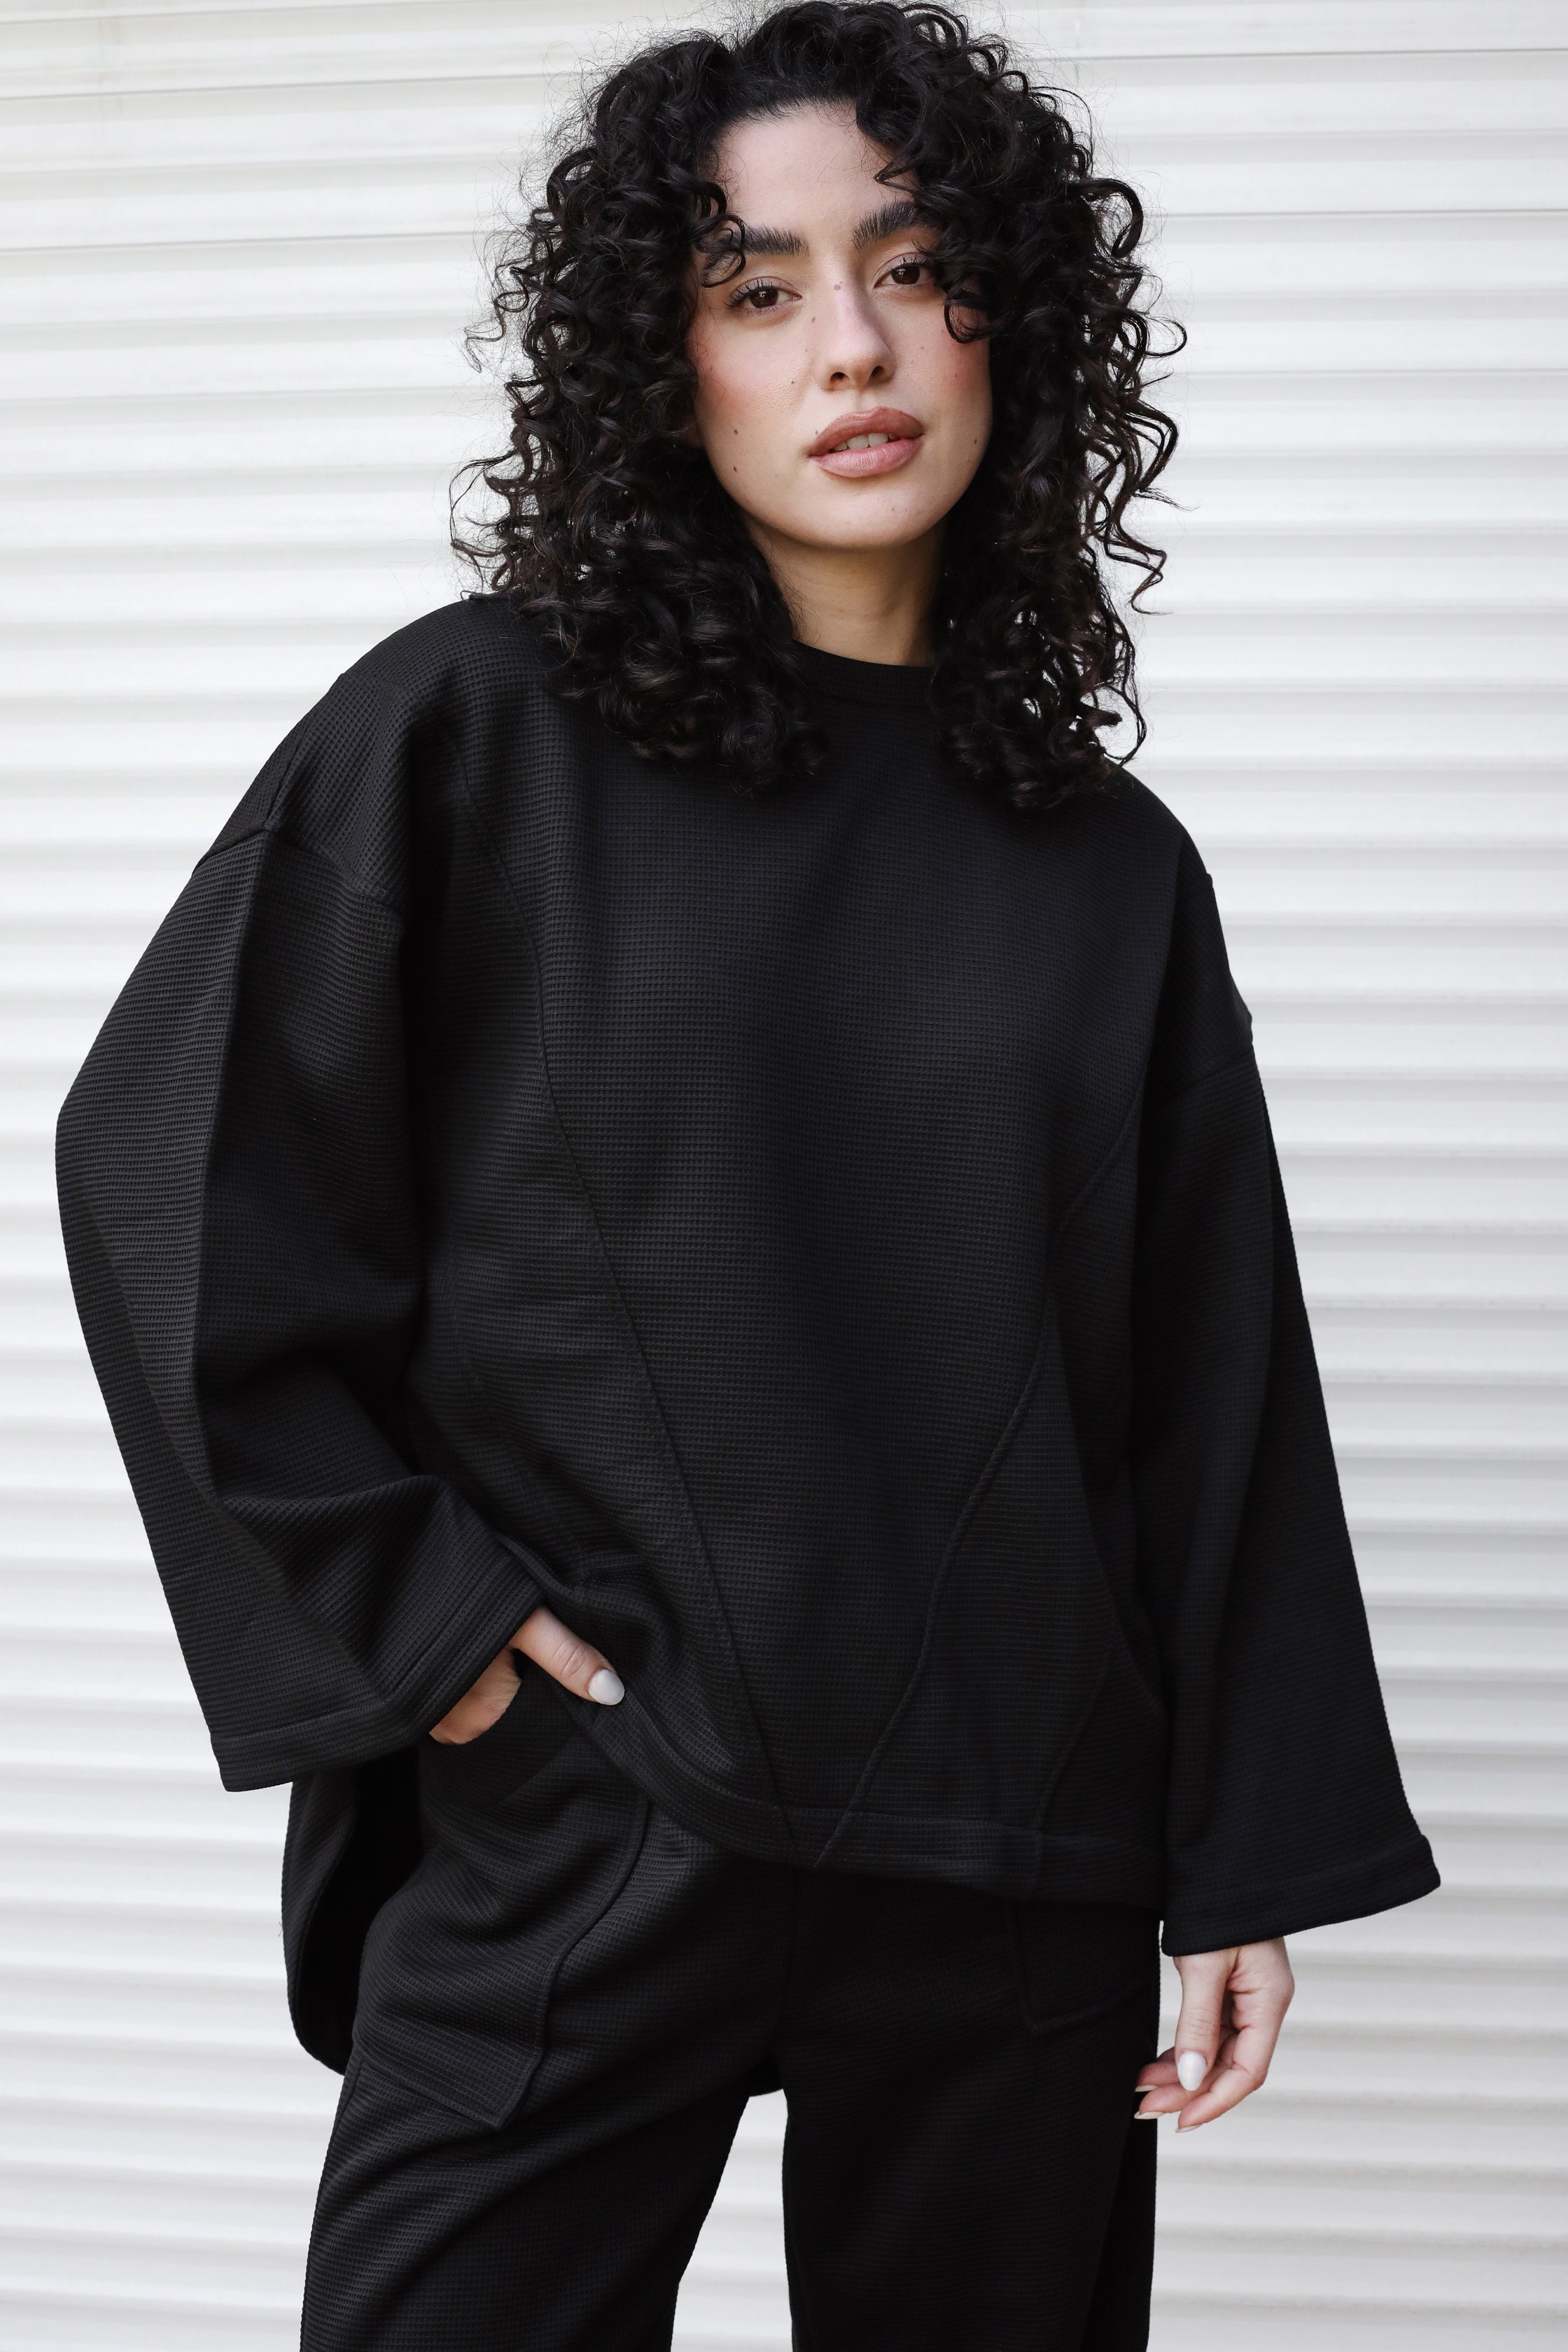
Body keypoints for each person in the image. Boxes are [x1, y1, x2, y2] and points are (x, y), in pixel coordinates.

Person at [56, 6, 1438, 2346]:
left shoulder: (1109, 869)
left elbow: (1214, 1387)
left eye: (914, 264)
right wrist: (433, 1636)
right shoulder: (477, 729)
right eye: (761, 288)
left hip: (1017, 1848)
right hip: (599, 1817)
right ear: (660, 358)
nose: (855, 348)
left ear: (1014, 315)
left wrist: (1244, 1854)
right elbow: (172, 1168)